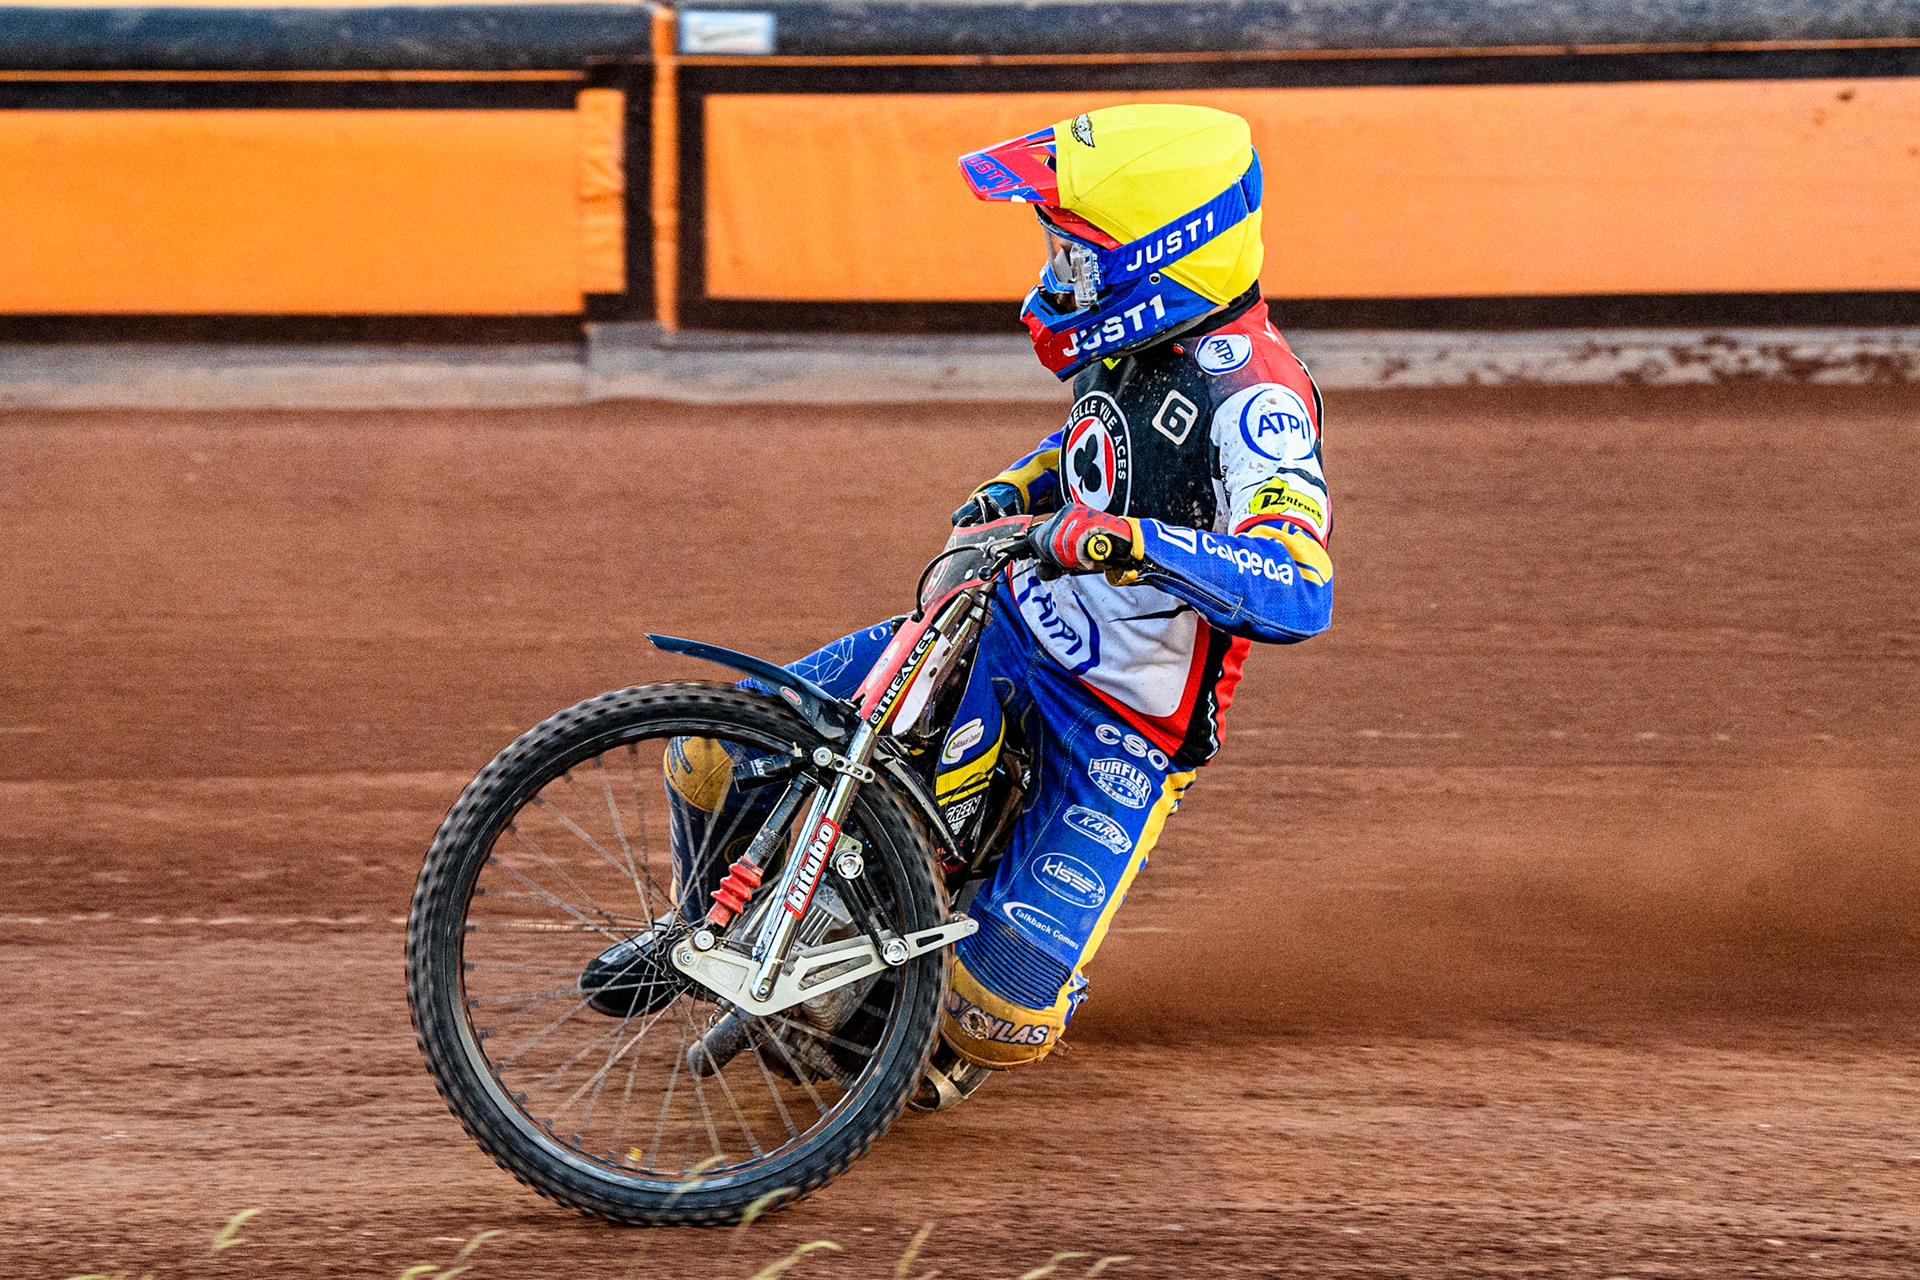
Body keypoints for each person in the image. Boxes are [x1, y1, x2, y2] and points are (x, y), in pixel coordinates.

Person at [668, 103, 1334, 1109]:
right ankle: (702, 932)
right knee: (710, 751)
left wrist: (1122, 542)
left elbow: (1297, 583)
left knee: (994, 1014)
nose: (1059, 275)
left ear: (1170, 252)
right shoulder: (1139, 342)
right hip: (1005, 624)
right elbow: (1097, 447)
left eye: (1078, 256)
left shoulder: (1258, 400)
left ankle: (939, 990)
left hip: (1124, 721)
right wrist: (1012, 490)